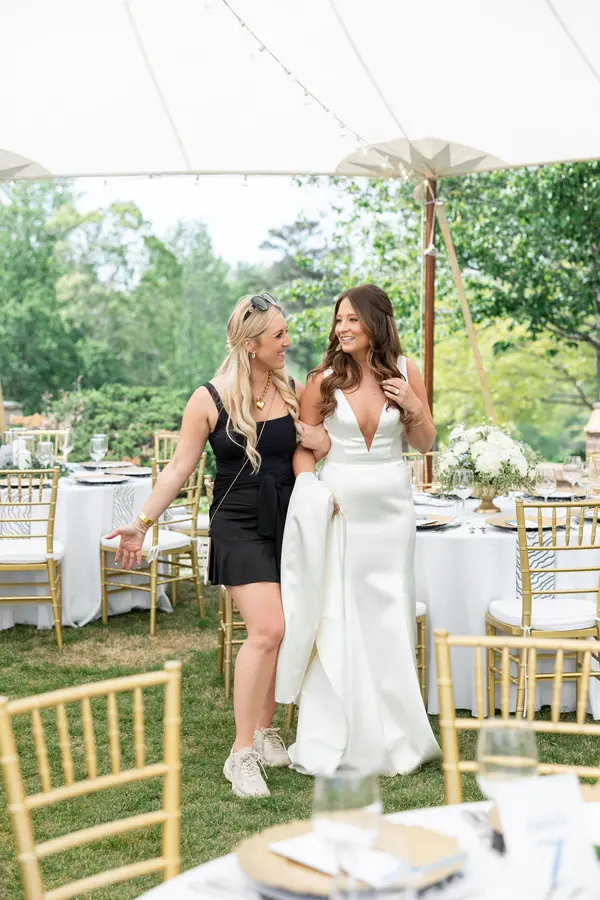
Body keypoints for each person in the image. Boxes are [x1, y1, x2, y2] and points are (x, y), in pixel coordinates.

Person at [106, 293, 329, 798]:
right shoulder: (207, 399)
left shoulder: (292, 389)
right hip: (237, 524)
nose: (287, 342)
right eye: (278, 335)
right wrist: (142, 523)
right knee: (268, 628)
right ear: (250, 344)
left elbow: (314, 447)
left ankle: (265, 730)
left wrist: (324, 446)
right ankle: (240, 753)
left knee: (286, 628)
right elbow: (178, 468)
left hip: (288, 521)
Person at [276, 283, 440, 776]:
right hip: (340, 511)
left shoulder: (407, 371)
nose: (342, 328)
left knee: (390, 617)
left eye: (352, 319)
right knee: (340, 614)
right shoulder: (322, 380)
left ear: (376, 322)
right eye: (339, 319)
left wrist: (412, 403)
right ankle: (339, 734)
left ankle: (398, 733)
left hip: (393, 514)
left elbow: (424, 442)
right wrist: (312, 491)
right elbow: (304, 450)